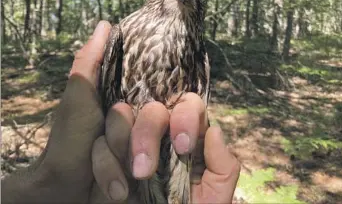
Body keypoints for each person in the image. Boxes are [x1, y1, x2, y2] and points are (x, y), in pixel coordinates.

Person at [1, 21, 240, 203]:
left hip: (174, 164)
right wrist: (51, 183)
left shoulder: (196, 47)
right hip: (116, 167)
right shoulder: (123, 33)